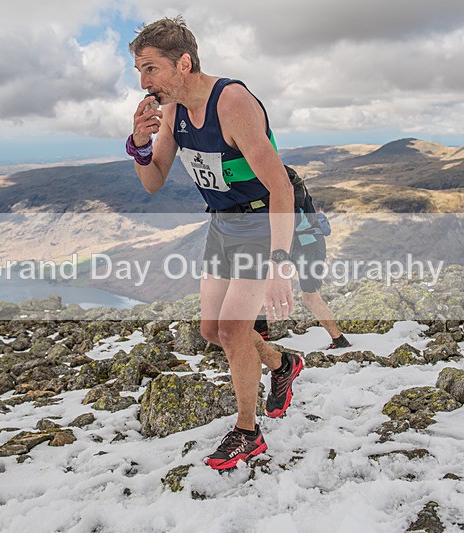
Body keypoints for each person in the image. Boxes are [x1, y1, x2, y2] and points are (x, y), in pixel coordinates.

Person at [127, 16, 303, 470]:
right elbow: (153, 181)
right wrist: (140, 144)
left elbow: (280, 188)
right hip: (222, 224)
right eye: (139, 71)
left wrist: (280, 263)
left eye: (151, 69)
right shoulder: (173, 112)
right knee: (212, 331)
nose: (144, 82)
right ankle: (283, 364)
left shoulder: (233, 102)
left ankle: (248, 431)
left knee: (233, 330)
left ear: (183, 63)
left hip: (262, 222)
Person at [255, 197, 351, 350]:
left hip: (308, 245)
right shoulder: (276, 186)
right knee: (261, 288)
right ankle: (260, 335)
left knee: (310, 297)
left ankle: (340, 341)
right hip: (290, 245)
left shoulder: (285, 188)